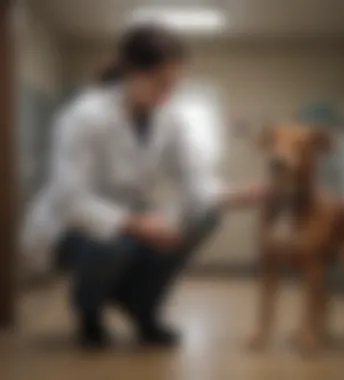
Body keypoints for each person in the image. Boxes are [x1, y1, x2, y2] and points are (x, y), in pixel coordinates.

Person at [22, 24, 266, 348]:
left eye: (174, 85)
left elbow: (194, 180)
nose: (168, 94)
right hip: (71, 225)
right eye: (160, 83)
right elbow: (70, 197)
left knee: (204, 217)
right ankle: (90, 312)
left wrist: (238, 195)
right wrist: (135, 224)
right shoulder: (84, 116)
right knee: (114, 242)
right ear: (130, 72)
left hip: (130, 218)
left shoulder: (171, 119)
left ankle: (143, 311)